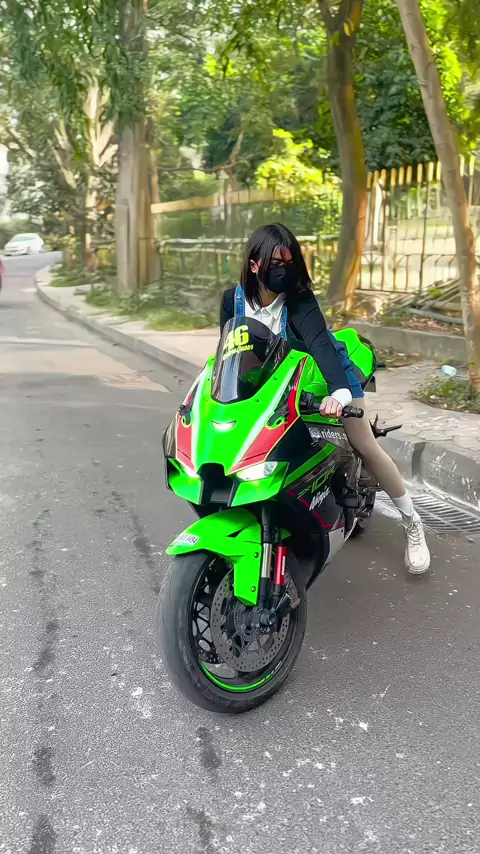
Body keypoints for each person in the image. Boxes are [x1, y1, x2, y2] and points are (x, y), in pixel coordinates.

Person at [220, 223, 430, 575]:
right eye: (276, 263)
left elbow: (321, 347)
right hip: (275, 384)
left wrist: (340, 393)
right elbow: (228, 354)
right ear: (254, 265)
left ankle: (412, 523)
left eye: (290, 262)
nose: (284, 270)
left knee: (364, 444)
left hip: (326, 376)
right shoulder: (233, 300)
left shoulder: (299, 300)